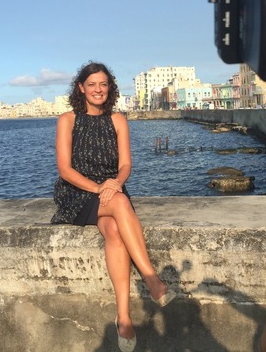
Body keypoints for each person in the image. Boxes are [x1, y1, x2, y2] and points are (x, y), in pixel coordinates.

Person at [51, 61, 175, 352]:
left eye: (103, 84)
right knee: (119, 203)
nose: (98, 89)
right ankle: (152, 280)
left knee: (114, 231)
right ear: (81, 88)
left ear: (110, 88)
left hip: (112, 190)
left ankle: (123, 318)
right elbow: (65, 170)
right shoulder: (68, 119)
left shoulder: (118, 119)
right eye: (92, 84)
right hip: (78, 193)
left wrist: (115, 183)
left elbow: (126, 165)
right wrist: (100, 188)